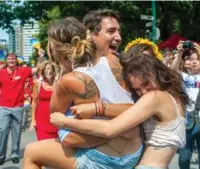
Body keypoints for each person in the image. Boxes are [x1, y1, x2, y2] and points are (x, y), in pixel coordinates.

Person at [23, 14, 143, 169]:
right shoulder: (115, 60)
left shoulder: (69, 81)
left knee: (31, 153)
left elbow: (57, 122)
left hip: (103, 159)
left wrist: (111, 132)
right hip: (134, 153)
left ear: (54, 48)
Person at [50, 51, 190, 169]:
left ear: (156, 72)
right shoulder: (176, 97)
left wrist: (64, 122)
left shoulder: (155, 97)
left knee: (33, 153)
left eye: (146, 84)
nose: (143, 92)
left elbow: (109, 129)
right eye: (137, 90)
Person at [171, 41, 200, 169]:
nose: (195, 62)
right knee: (184, 158)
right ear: (188, 63)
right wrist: (179, 53)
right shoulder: (184, 77)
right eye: (192, 59)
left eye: (197, 60)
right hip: (187, 123)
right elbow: (172, 70)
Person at [0, 53, 37, 165]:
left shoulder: (23, 71)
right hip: (4, 107)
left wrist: (41, 57)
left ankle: (15, 153)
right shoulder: (1, 73)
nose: (11, 60)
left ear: (16, 60)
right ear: (6, 61)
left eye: (13, 58)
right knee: (2, 130)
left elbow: (39, 69)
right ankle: (1, 155)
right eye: (9, 58)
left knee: (17, 131)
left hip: (18, 107)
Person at [29, 60, 58, 140]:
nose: (48, 71)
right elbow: (34, 102)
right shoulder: (37, 83)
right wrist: (33, 120)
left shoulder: (59, 83)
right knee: (42, 143)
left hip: (55, 118)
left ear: (53, 70)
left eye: (49, 69)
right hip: (41, 119)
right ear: (42, 71)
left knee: (56, 146)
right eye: (45, 69)